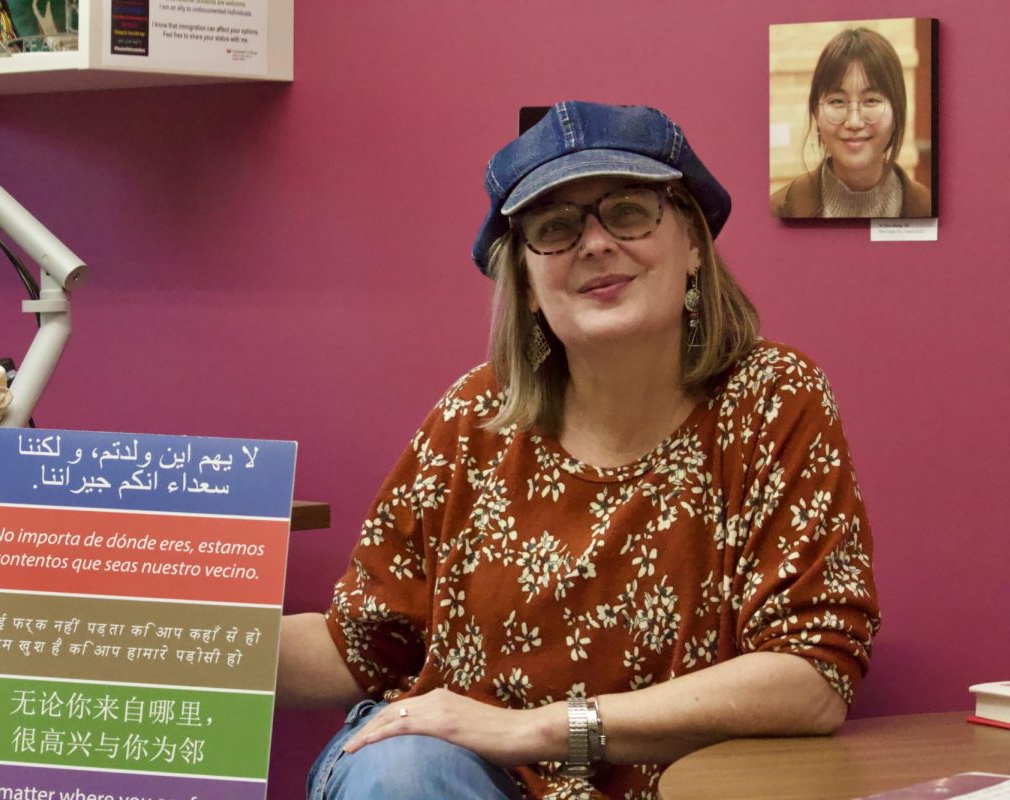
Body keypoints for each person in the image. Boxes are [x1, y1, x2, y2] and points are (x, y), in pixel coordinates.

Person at [279, 101, 880, 799]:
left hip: (682, 786)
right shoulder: (476, 414)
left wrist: (542, 728)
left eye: (628, 211)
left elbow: (812, 679)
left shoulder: (773, 400)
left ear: (692, 242)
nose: (594, 244)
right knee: (404, 769)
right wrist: (171, 639)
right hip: (460, 783)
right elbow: (359, 644)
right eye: (556, 229)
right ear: (528, 286)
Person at [770, 27, 931, 218]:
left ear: (897, 111)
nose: (854, 122)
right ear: (816, 112)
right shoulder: (780, 211)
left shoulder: (927, 209)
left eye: (871, 100)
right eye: (837, 101)